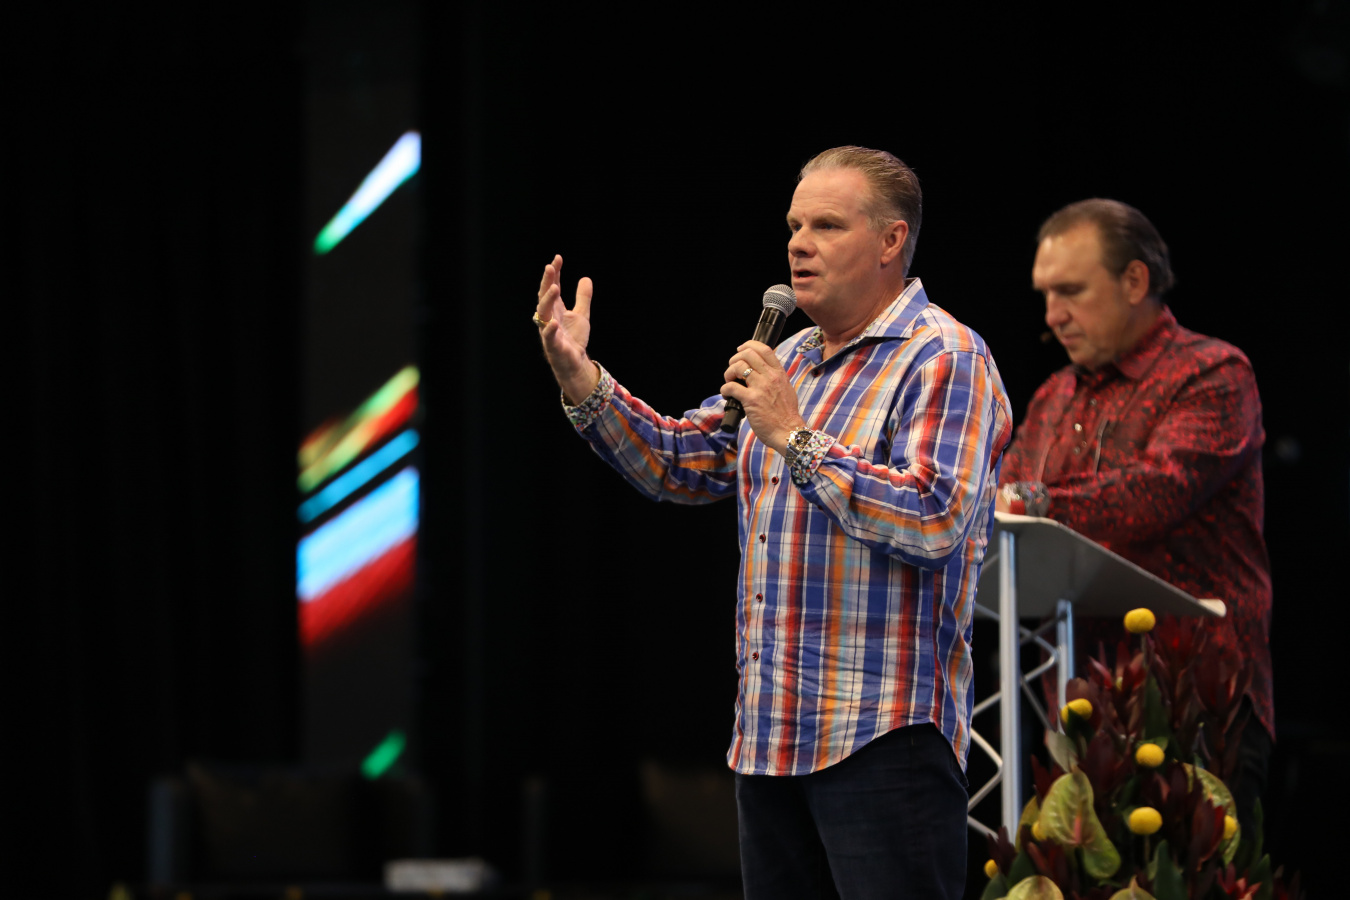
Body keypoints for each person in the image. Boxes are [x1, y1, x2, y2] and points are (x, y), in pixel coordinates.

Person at [533, 146, 1012, 900]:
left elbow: (934, 517)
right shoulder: (789, 357)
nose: (799, 244)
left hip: (881, 737)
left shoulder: (945, 358)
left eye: (827, 225)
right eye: (794, 226)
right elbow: (682, 462)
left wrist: (795, 437)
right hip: (771, 739)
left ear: (891, 241)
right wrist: (580, 378)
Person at [997, 198, 1273, 830]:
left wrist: (1035, 503)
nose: (1052, 315)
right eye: (1045, 295)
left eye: (1071, 291)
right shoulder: (1053, 395)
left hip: (1198, 706)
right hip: (1077, 712)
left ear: (1134, 280)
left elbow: (1157, 491)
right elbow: (1000, 506)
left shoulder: (1213, 372)